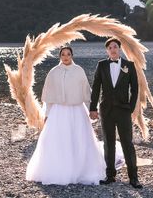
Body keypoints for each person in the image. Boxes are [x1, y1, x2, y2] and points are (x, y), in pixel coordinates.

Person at [25, 46, 105, 185]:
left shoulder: (79, 70)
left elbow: (86, 92)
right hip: (58, 111)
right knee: (58, 140)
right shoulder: (53, 72)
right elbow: (49, 96)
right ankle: (59, 170)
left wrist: (92, 110)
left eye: (68, 54)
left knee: (78, 139)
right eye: (63, 54)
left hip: (77, 111)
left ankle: (80, 170)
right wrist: (47, 114)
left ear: (72, 56)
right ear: (60, 56)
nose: (66, 57)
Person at [89, 38, 143, 189]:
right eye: (110, 47)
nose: (113, 49)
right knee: (108, 143)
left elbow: (135, 89)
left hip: (123, 110)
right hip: (106, 111)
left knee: (127, 143)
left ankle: (134, 178)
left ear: (119, 49)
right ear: (107, 50)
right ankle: (110, 175)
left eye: (115, 47)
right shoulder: (101, 65)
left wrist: (130, 108)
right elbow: (96, 88)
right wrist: (93, 108)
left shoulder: (129, 65)